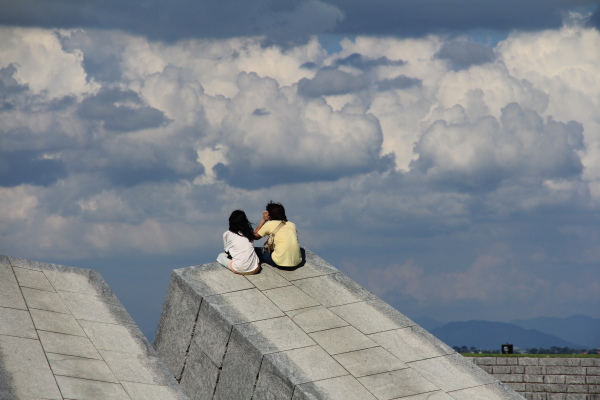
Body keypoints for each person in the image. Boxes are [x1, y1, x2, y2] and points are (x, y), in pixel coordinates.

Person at [254, 201, 302, 268]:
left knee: (254, 251)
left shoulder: (270, 224)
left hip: (279, 262)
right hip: (296, 262)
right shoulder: (292, 224)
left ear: (269, 215)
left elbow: (255, 236)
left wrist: (263, 220)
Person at [216, 210, 261, 275]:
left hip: (239, 269)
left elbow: (226, 251)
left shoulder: (227, 234)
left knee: (221, 256)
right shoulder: (248, 233)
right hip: (255, 268)